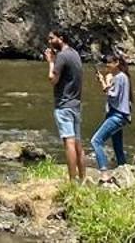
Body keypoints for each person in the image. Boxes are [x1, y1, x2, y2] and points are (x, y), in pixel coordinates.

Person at [45, 30, 86, 181]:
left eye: (51, 38)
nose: (49, 42)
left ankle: (71, 181)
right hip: (76, 103)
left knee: (69, 142)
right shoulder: (75, 54)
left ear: (60, 39)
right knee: (77, 143)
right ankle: (82, 179)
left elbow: (53, 79)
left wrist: (50, 62)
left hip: (64, 104)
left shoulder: (61, 56)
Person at [91, 54, 132, 171]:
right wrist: (106, 82)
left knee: (96, 141)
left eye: (109, 63)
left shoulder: (119, 77)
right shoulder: (122, 77)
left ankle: (104, 171)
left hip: (117, 115)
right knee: (118, 147)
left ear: (116, 63)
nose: (107, 66)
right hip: (120, 115)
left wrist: (103, 82)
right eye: (106, 63)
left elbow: (113, 96)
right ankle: (123, 169)